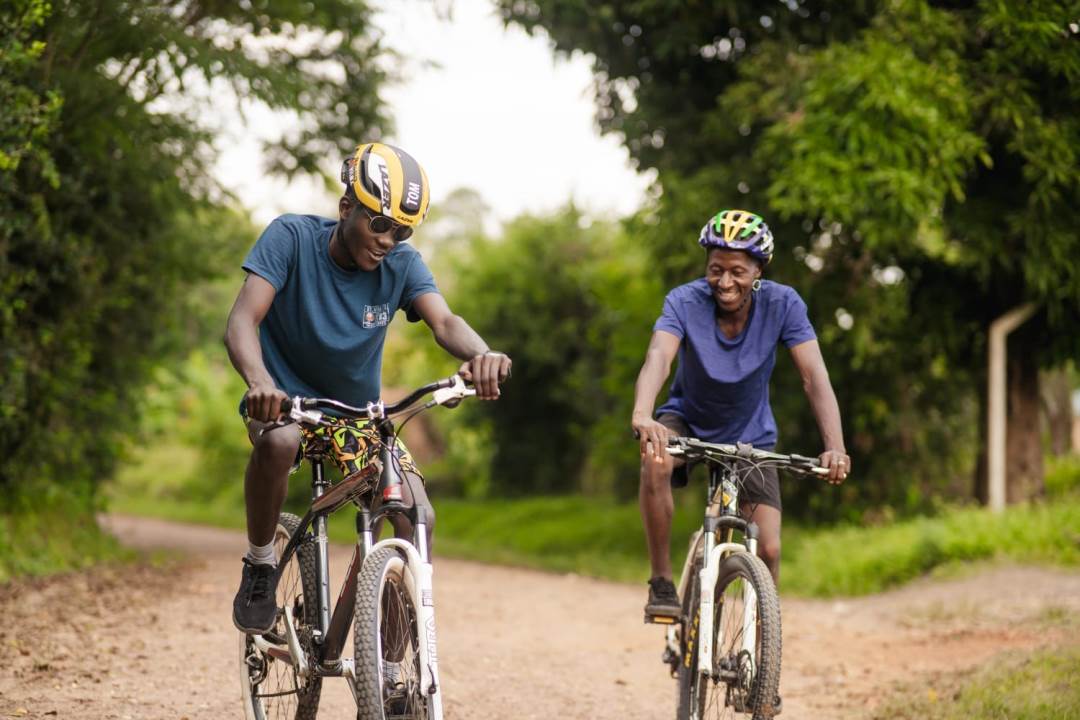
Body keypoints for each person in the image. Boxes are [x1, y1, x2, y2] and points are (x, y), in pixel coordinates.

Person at [225, 142, 512, 634]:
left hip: (357, 419)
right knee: (279, 440)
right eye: (378, 223)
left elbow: (444, 321)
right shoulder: (290, 238)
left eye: (400, 231)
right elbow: (241, 322)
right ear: (346, 208)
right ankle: (260, 563)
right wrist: (261, 384)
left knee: (414, 512)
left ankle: (397, 666)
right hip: (287, 405)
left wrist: (481, 355)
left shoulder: (401, 264)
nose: (387, 240)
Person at [631, 209, 849, 620]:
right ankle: (661, 580)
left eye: (737, 271)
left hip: (750, 436)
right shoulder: (684, 301)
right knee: (655, 458)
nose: (725, 282)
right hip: (686, 421)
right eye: (716, 270)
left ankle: (760, 663)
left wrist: (834, 447)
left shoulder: (784, 304)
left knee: (768, 549)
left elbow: (813, 376)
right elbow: (659, 356)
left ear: (758, 270)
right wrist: (643, 413)